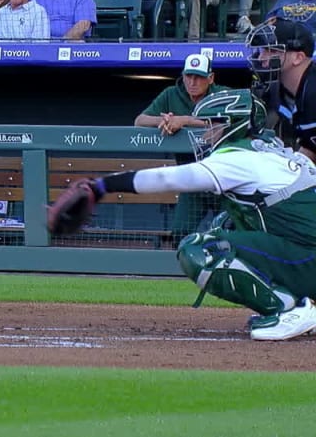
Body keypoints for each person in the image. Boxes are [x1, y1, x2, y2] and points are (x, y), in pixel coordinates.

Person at [69, 88, 316, 341]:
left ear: (235, 125)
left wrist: (101, 186)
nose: (207, 133)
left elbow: (167, 179)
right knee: (227, 222)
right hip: (305, 255)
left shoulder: (239, 158)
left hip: (308, 259)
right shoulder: (269, 149)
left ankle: (291, 310)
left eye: (214, 124)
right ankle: (302, 303)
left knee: (200, 249)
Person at [134, 53, 229, 237]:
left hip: (222, 181)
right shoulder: (171, 94)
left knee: (228, 233)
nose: (192, 82)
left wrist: (184, 120)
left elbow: (227, 123)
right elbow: (139, 121)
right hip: (192, 181)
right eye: (189, 76)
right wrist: (165, 120)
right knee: (179, 234)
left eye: (199, 77)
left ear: (211, 78)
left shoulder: (222, 94)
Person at [247, 17, 316, 163]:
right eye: (261, 50)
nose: (261, 57)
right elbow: (310, 148)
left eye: (271, 50)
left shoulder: (312, 92)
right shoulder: (280, 91)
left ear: (298, 57)